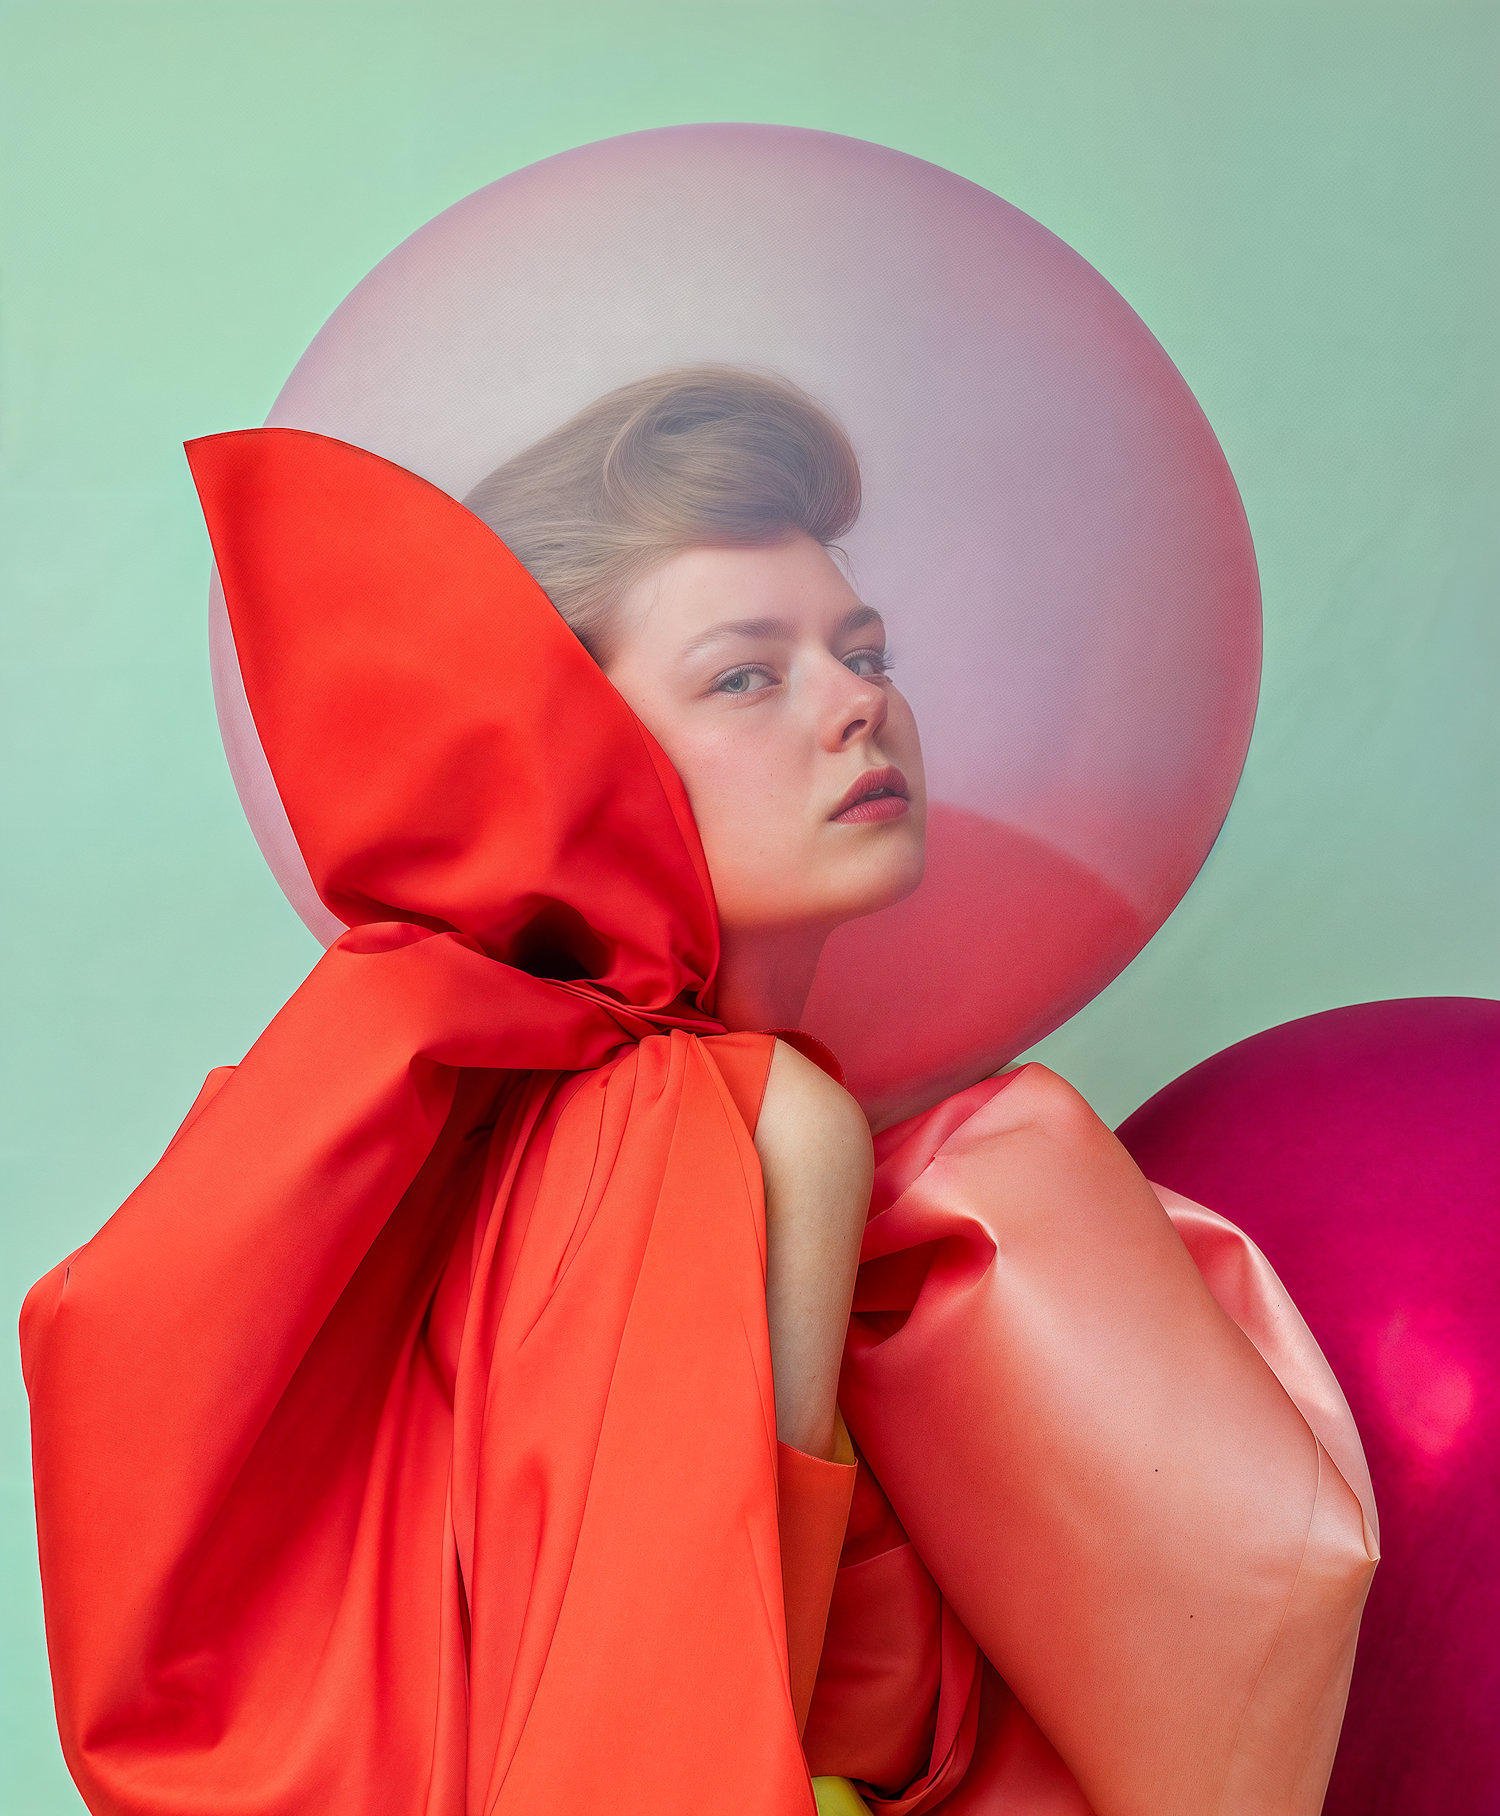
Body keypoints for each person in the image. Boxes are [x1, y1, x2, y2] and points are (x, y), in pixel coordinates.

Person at [21, 368, 1377, 1816]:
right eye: (749, 674)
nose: (856, 703)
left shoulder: (529, 1114)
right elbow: (676, 1730)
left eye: (866, 650)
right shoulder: (754, 1129)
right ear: (576, 758)